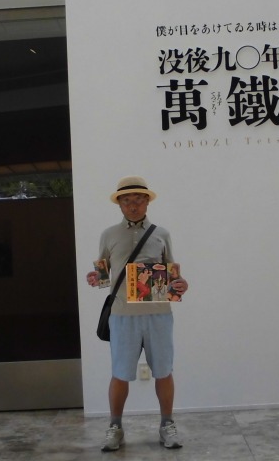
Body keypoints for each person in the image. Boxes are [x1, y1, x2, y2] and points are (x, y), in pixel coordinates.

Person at [86, 176, 188, 452]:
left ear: (147, 202)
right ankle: (115, 427)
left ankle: (167, 424)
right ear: (119, 204)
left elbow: (172, 273)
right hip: (121, 315)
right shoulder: (109, 234)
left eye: (138, 200)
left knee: (164, 371)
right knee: (120, 373)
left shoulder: (161, 233)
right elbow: (103, 274)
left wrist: (181, 284)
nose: (133, 205)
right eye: (127, 200)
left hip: (158, 314)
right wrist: (95, 277)